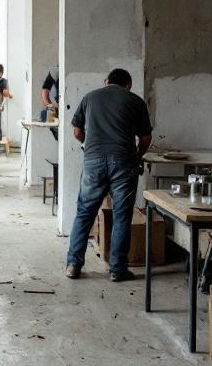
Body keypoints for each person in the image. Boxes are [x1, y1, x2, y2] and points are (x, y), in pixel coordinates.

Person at [65, 68, 152, 282]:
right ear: (128, 84)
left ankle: (74, 265)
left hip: (93, 161)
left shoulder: (90, 97)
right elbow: (146, 138)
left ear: (106, 81)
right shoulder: (135, 101)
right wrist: (136, 156)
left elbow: (76, 131)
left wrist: (90, 142)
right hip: (124, 162)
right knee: (121, 216)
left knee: (85, 213)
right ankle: (117, 269)